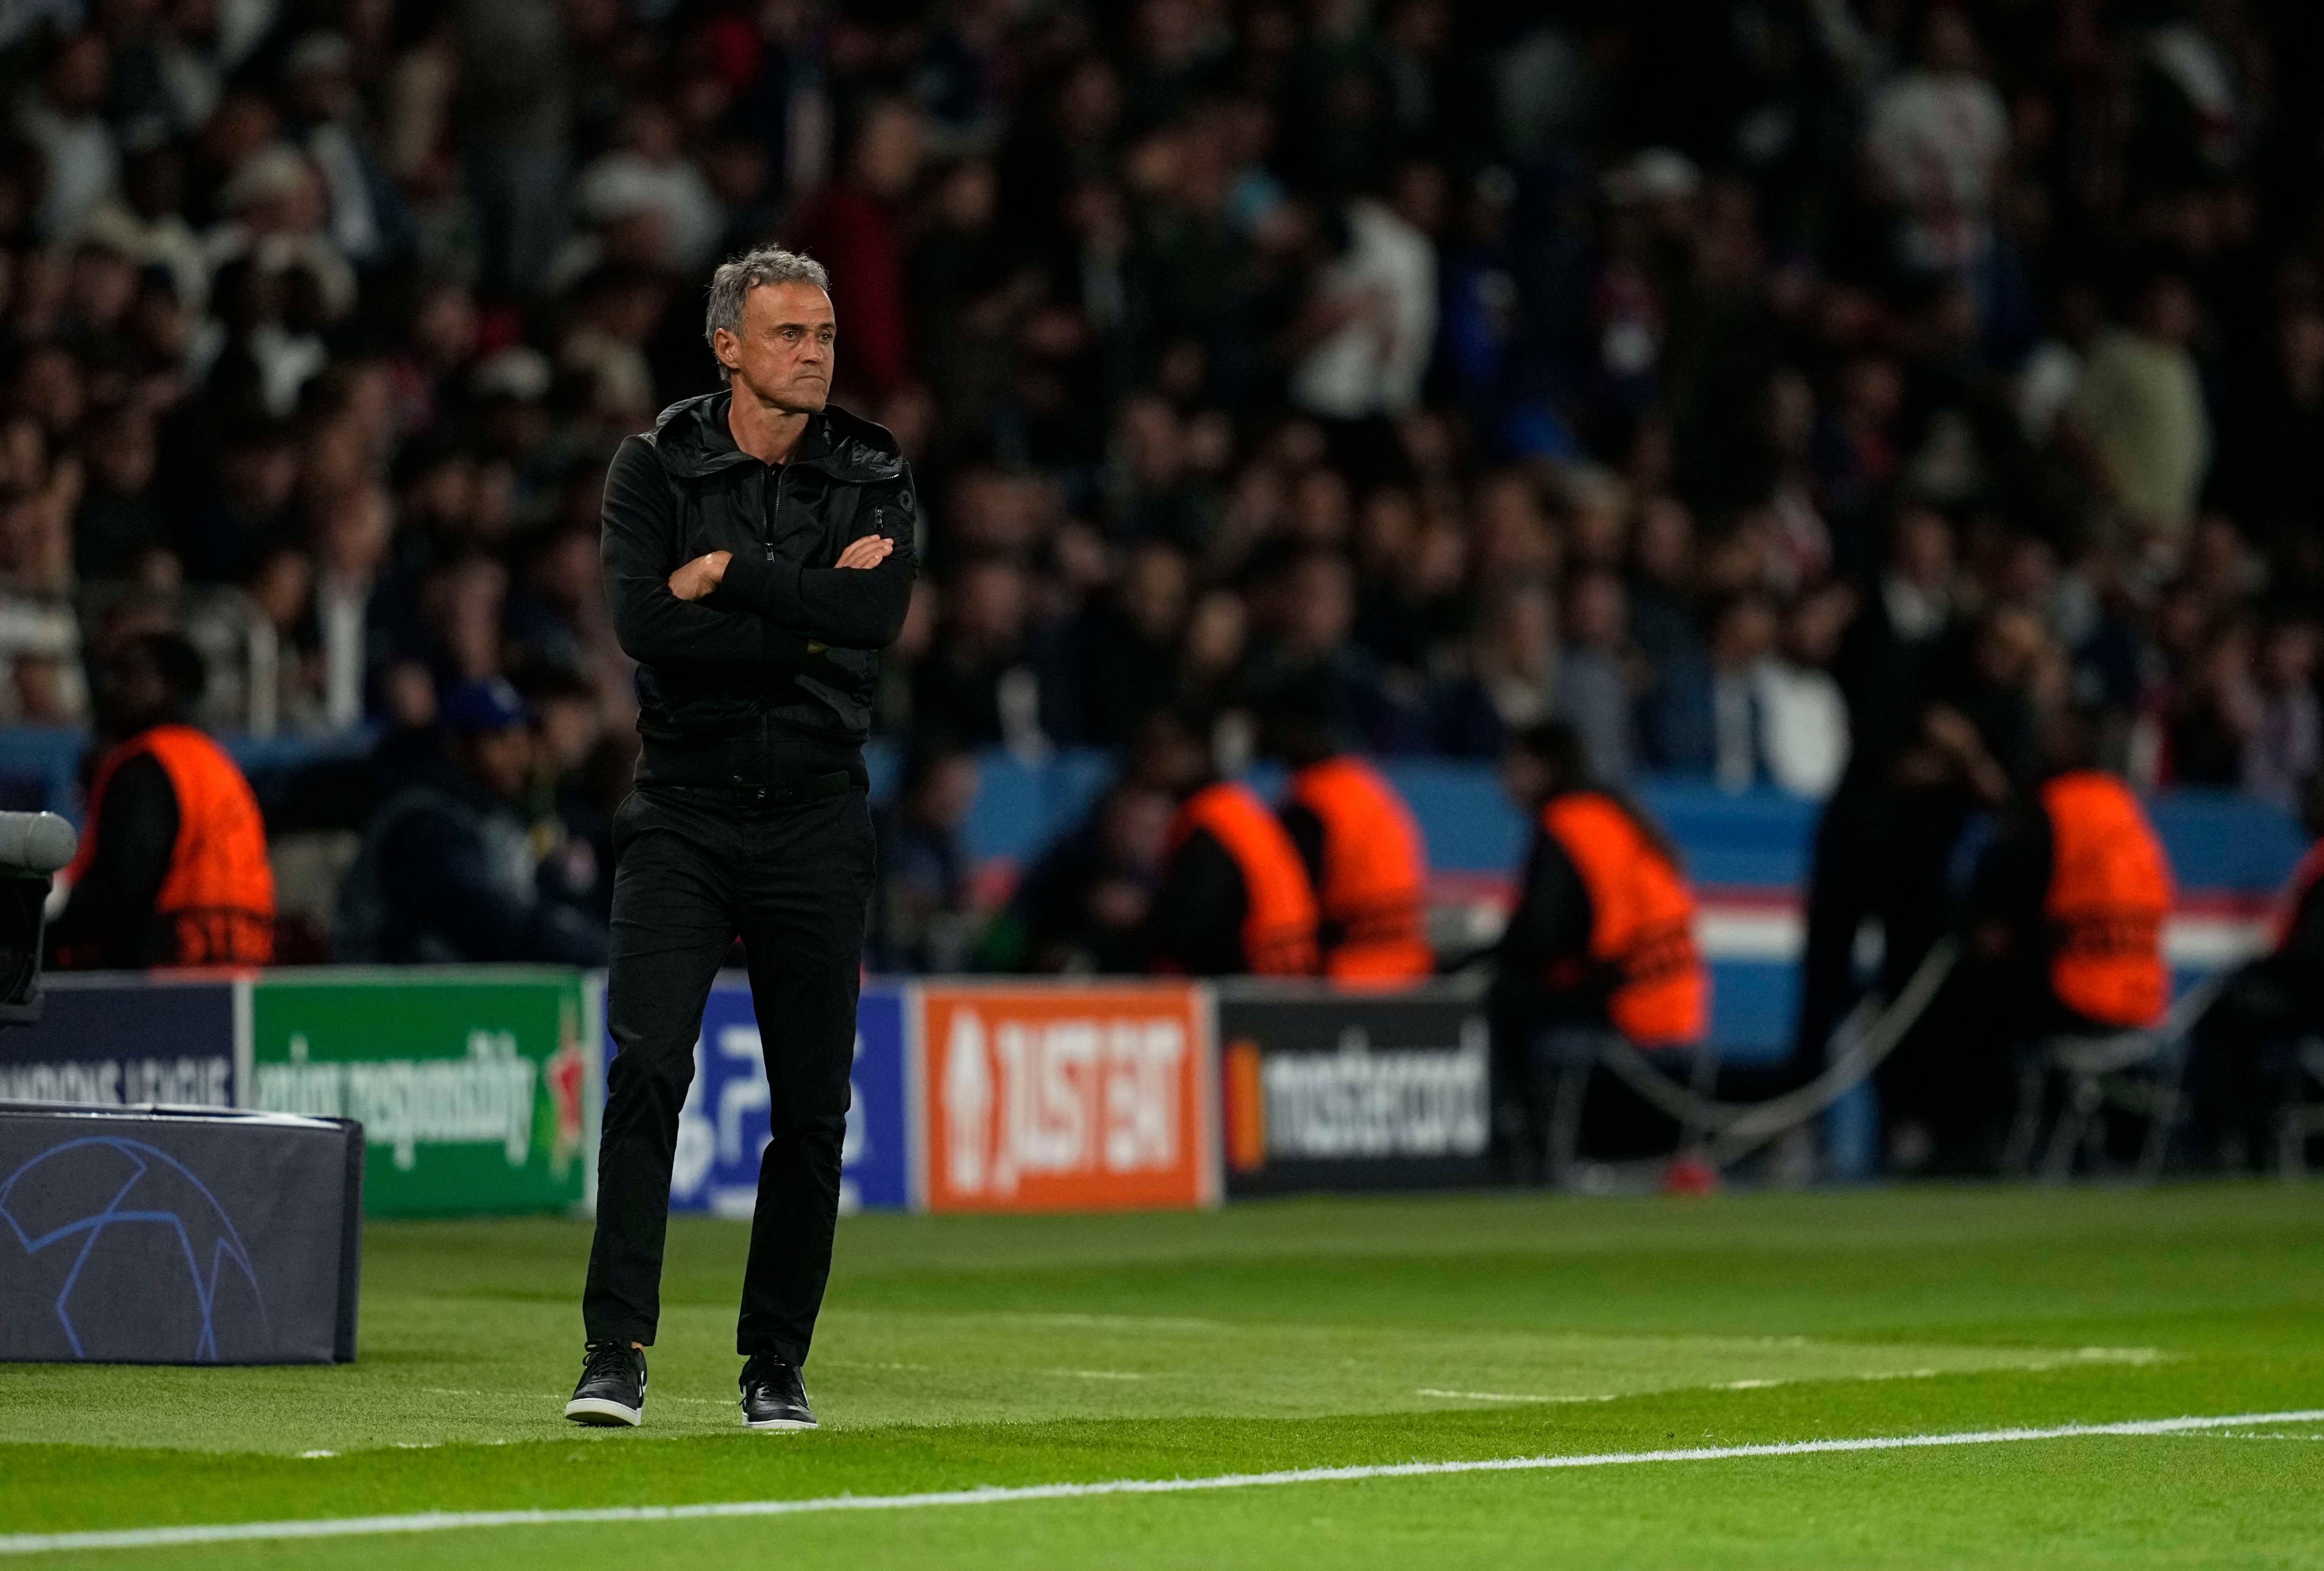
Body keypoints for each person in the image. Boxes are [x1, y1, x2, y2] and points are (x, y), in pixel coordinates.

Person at [570, 247, 916, 1434]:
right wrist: (804, 605)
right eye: (789, 335)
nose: (815, 352)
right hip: (684, 809)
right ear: (728, 346)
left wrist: (734, 575)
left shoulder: (871, 463)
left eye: (823, 333)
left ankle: (775, 1365)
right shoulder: (654, 464)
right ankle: (614, 1351)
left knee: (812, 1108)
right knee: (648, 1072)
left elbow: (876, 617)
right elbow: (645, 628)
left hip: (818, 815)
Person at [1918, 708, 2172, 1169]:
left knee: (1957, 1006)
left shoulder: (2055, 809)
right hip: (2143, 996)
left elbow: (2002, 907)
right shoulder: (2127, 811)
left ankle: (1970, 1149)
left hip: (2078, 991)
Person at [1489, 720, 1707, 1172]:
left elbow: (1541, 935)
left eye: (1512, 765)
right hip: (1679, 999)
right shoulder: (1618, 815)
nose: (1503, 779)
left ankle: (1523, 1147)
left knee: (1501, 1000)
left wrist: (1483, 958)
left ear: (1541, 767)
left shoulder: (1566, 823)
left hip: (1628, 1003)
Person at [333, 678, 612, 966]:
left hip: (450, 993)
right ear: (459, 747)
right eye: (500, 741)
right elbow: (486, 923)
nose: (517, 755)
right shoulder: (424, 821)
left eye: (521, 740)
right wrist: (590, 950)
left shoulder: (500, 816)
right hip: (384, 996)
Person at [48, 633, 275, 970]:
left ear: (173, 686)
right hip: (242, 955)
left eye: (131, 675)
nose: (111, 688)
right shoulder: (217, 762)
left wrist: (53, 932)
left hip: (167, 964)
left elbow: (124, 883)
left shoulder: (148, 765)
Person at [2185, 776, 2324, 1167]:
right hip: (2304, 992)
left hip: (2309, 999)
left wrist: (2262, 968)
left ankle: (2231, 1139)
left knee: (2227, 1016)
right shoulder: (2315, 862)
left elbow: (2313, 956)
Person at [1265, 689, 1433, 983]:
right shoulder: (1370, 788)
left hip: (1345, 977)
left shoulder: (1313, 803)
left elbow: (1293, 901)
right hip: (1407, 968)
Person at [1139, 711, 1320, 977]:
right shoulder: (1236, 807)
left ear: (1196, 752)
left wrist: (1139, 924)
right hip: (1287, 973)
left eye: (1165, 748)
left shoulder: (1211, 821)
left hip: (1248, 984)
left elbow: (1195, 926)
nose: (1153, 760)